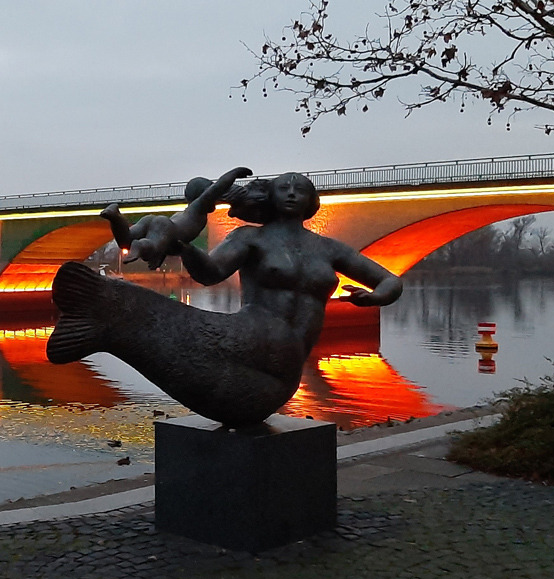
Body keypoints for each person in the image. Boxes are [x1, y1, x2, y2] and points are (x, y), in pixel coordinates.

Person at [47, 171, 402, 427]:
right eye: (284, 188)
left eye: (301, 189)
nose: (292, 193)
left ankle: (103, 319)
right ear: (270, 197)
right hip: (256, 336)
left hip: (286, 364)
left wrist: (373, 298)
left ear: (312, 201)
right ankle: (102, 313)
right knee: (155, 319)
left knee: (244, 394)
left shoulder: (329, 249)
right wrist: (183, 246)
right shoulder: (249, 239)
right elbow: (210, 273)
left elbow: (390, 280)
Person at [100, 166, 252, 270]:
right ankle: (140, 246)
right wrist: (233, 174)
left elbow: (166, 240)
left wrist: (160, 256)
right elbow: (216, 189)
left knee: (125, 241)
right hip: (166, 226)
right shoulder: (198, 208)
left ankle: (115, 217)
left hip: (157, 221)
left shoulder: (182, 214)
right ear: (202, 195)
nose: (215, 201)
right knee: (151, 247)